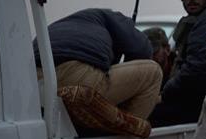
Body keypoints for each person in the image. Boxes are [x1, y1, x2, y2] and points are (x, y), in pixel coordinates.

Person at [33, 8, 161, 120]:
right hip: (76, 75)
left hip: (36, 80)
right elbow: (143, 48)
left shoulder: (71, 24)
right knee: (154, 73)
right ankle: (125, 137)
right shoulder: (112, 18)